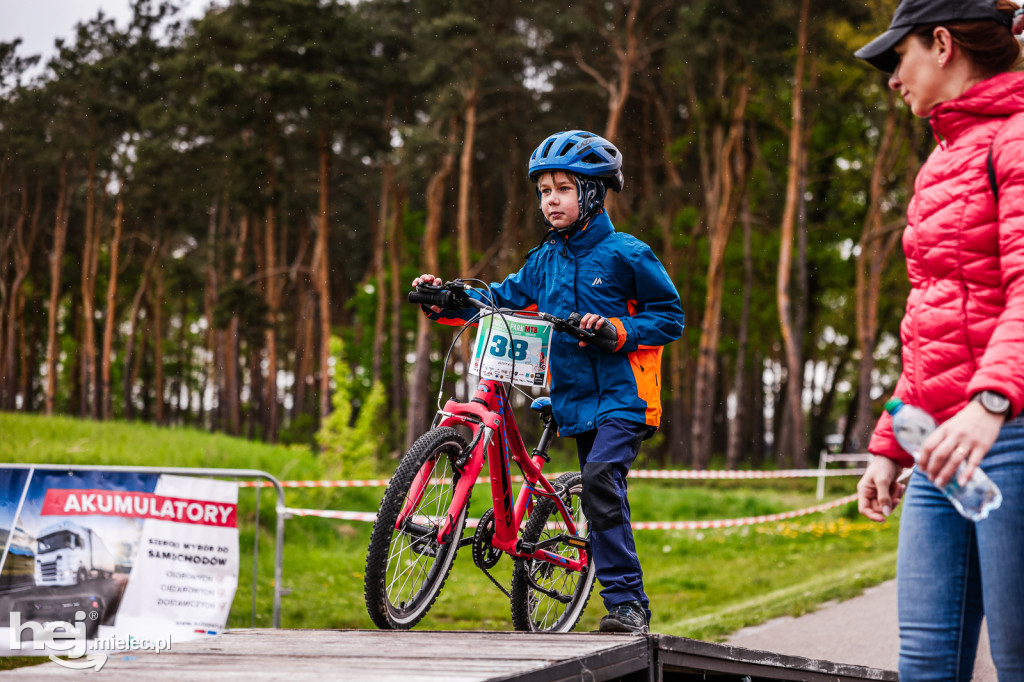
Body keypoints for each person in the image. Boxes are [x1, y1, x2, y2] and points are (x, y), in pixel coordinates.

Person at [412, 130, 684, 634]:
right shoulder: (544, 260)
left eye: (562, 189)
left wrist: (617, 330)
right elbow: (499, 298)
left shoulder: (628, 254)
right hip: (572, 399)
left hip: (625, 397)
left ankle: (628, 606)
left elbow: (670, 318)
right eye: (543, 191)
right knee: (593, 486)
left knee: (602, 482)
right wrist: (445, 298)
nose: (550, 200)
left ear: (594, 194)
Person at [854, 1, 1024, 679]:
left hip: (1008, 434)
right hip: (940, 445)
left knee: (1017, 660)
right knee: (925, 662)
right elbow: (935, 320)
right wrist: (892, 444)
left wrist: (990, 403)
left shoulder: (1015, 140)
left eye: (899, 57)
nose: (894, 78)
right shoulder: (942, 160)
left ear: (943, 43)